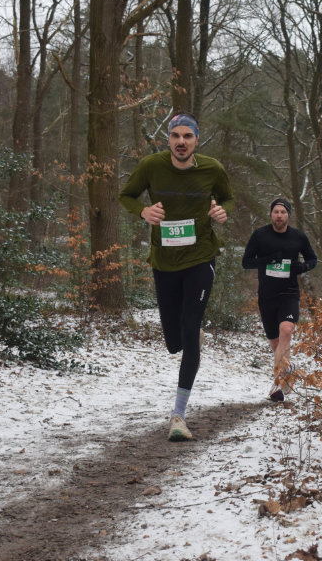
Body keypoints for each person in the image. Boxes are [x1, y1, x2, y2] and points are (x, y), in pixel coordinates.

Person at [118, 112, 234, 441]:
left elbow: (228, 197)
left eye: (188, 136)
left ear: (197, 140)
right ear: (168, 139)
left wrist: (222, 211)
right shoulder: (151, 166)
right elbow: (126, 195)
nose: (181, 142)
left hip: (200, 258)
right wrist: (143, 211)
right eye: (175, 136)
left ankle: (178, 416)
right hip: (164, 262)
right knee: (174, 343)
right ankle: (190, 338)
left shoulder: (212, 168)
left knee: (190, 326)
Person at [242, 198, 317, 402]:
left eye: (283, 212)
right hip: (267, 295)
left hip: (289, 293)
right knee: (276, 344)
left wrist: (302, 267)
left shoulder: (298, 237)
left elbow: (313, 259)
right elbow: (246, 262)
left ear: (288, 215)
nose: (279, 215)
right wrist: (267, 260)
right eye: (276, 211)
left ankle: (277, 384)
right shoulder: (260, 235)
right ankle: (288, 368)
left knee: (286, 331)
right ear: (271, 214)